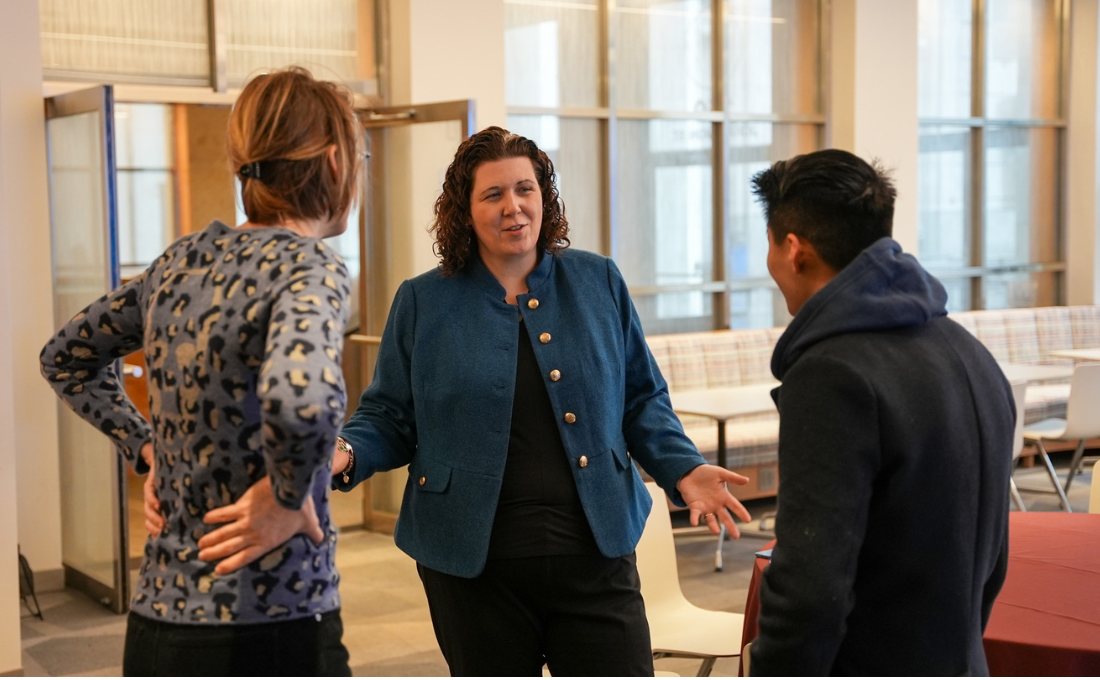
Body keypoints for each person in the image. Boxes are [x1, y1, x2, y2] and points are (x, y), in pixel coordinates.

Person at [202, 126, 754, 676]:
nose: (513, 207)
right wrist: (342, 451)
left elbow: (641, 398)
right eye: (493, 194)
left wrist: (684, 467)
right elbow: (390, 415)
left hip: (595, 557)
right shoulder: (424, 299)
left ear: (544, 197)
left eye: (525, 189)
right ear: (465, 211)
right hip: (471, 569)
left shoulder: (597, 280)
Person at [40, 67, 361, 676]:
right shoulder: (309, 266)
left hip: (159, 623)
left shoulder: (179, 263)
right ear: (334, 162)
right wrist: (288, 497)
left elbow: (65, 356)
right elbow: (303, 400)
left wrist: (146, 447)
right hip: (270, 622)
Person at [746, 149, 1014, 676]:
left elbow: (809, 586)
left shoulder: (831, 375)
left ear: (794, 250)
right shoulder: (967, 350)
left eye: (772, 246)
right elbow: (992, 557)